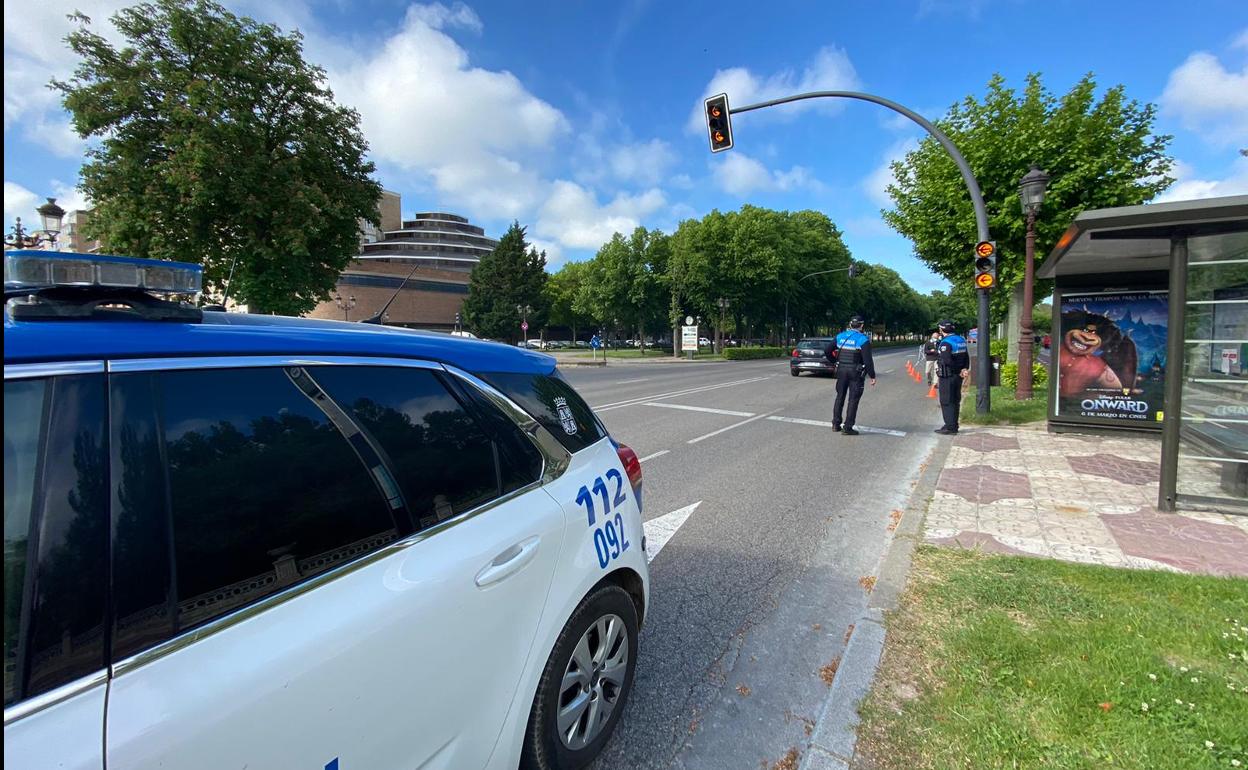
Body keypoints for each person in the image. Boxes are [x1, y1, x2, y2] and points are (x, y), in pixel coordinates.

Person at [831, 315, 876, 436]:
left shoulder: (840, 336)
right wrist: (872, 375)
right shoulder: (863, 339)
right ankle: (848, 427)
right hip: (855, 372)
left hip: (841, 370)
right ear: (861, 326)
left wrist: (834, 361)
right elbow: (868, 361)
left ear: (850, 325)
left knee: (840, 396)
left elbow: (827, 350)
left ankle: (835, 424)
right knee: (853, 399)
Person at [934, 319, 970, 435]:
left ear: (942, 329)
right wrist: (963, 369)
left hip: (948, 375)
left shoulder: (945, 343)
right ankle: (953, 424)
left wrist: (957, 370)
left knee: (946, 401)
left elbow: (947, 360)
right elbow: (966, 356)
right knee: (955, 400)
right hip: (958, 376)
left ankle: (950, 427)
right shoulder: (961, 340)